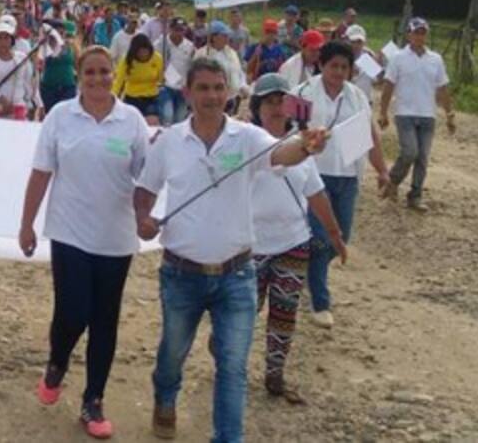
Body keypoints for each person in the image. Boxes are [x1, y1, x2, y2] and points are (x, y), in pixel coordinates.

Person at [133, 58, 329, 442]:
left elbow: (281, 154)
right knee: (173, 354)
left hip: (238, 275)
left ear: (229, 92)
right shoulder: (169, 141)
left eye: (219, 88)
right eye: (203, 88)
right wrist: (144, 217)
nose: (212, 96)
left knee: (233, 367)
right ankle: (165, 396)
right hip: (180, 273)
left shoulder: (248, 138)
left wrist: (305, 147)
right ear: (187, 93)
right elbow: (145, 190)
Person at [20, 46, 149, 439]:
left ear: (115, 74)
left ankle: (94, 400)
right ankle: (57, 363)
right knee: (73, 311)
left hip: (116, 236)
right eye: (89, 72)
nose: (97, 79)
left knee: (105, 319)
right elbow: (41, 173)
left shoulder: (132, 120)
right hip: (69, 232)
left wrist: (147, 217)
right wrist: (26, 224)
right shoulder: (61, 116)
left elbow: (147, 179)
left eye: (104, 72)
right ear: (79, 75)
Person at [248, 72, 347, 404]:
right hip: (250, 247)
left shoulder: (303, 145)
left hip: (293, 243)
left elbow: (316, 193)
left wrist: (335, 234)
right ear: (257, 107)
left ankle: (275, 374)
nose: (276, 109)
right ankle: (228, 361)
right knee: (245, 312)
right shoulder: (243, 143)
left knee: (284, 314)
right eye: (269, 103)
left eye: (281, 102)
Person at [297, 41, 390, 329]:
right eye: (333, 65)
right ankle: (320, 301)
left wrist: (382, 170)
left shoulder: (358, 97)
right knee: (320, 237)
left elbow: (370, 134)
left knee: (341, 239)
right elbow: (290, 131)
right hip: (315, 175)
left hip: (349, 175)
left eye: (344, 67)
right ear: (322, 65)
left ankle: (309, 272)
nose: (338, 72)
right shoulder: (303, 93)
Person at [377, 17, 455, 212]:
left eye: (423, 32)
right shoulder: (398, 58)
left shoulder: (435, 59)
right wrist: (383, 112)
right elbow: (388, 86)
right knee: (410, 151)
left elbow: (443, 88)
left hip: (428, 114)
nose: (420, 36)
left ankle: (415, 196)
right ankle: (393, 180)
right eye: (416, 32)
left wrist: (449, 113)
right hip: (405, 113)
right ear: (409, 34)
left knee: (422, 158)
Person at [195, 21, 247, 115]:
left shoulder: (232, 53)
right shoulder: (202, 55)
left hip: (232, 98)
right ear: (214, 37)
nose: (227, 38)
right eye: (224, 35)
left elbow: (239, 72)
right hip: (213, 100)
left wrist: (243, 85)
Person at [113, 33, 164, 127]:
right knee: (131, 126)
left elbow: (161, 79)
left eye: (146, 51)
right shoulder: (126, 60)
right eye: (140, 52)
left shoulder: (157, 58)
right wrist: (112, 99)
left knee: (152, 124)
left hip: (151, 97)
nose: (143, 54)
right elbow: (118, 82)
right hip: (132, 98)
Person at [154, 18, 195, 127]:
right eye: (176, 29)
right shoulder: (160, 44)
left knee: (180, 118)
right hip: (165, 86)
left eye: (181, 30)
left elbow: (192, 67)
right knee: (168, 116)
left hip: (182, 88)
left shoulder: (189, 46)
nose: (179, 33)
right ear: (170, 29)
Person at [39, 20, 79, 112]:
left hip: (67, 87)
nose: (60, 36)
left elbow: (78, 64)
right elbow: (39, 63)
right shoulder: (44, 47)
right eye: (57, 33)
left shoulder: (71, 46)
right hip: (49, 88)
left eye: (62, 33)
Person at [344, 25, 379, 101]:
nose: (356, 45)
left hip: (365, 101)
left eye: (359, 42)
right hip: (346, 100)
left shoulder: (369, 56)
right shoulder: (341, 56)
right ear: (346, 40)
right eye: (353, 42)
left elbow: (377, 82)